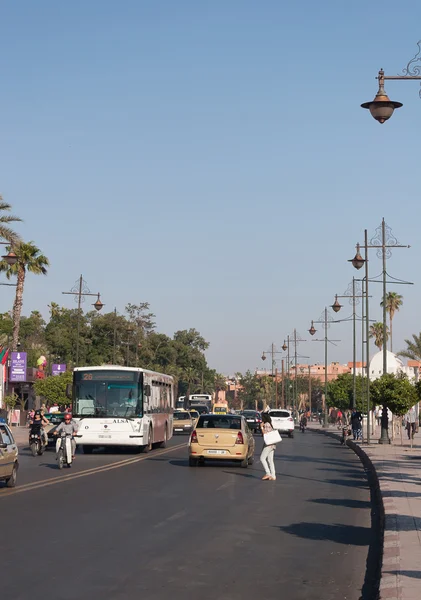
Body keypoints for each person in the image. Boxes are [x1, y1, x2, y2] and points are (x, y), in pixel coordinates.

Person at [260, 412, 276, 481]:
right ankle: (273, 475)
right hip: (273, 444)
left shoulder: (266, 424)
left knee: (262, 458)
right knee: (270, 460)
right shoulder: (270, 424)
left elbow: (265, 434)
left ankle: (268, 473)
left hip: (268, 444)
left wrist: (261, 427)